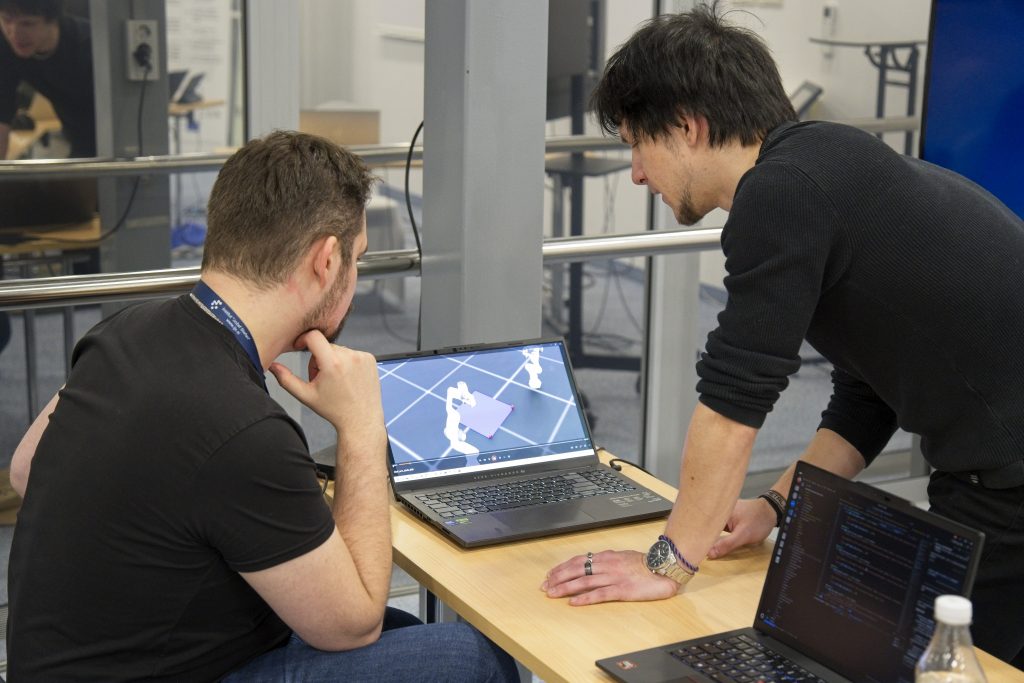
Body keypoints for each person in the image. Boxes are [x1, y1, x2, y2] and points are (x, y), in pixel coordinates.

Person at [542, 3, 1024, 669]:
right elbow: (868, 395)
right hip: (1000, 462)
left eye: (636, 144)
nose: (637, 173)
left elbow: (733, 401)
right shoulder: (820, 163)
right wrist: (773, 503)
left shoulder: (781, 192)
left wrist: (669, 561)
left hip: (1007, 478)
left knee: (934, 664)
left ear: (686, 126)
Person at [7, 131, 519, 682]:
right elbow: (355, 625)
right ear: (327, 260)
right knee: (472, 658)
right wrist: (361, 424)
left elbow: (25, 469)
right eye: (357, 259)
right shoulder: (244, 429)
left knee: (406, 632)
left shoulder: (123, 331)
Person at [0, 0, 96, 159]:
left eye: (28, 24)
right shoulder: (6, 44)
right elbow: (2, 114)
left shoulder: (88, 46)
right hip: (76, 137)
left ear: (52, 21)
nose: (14, 34)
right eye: (6, 20)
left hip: (112, 134)